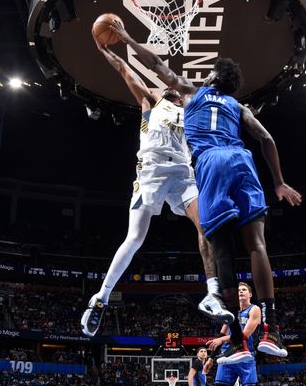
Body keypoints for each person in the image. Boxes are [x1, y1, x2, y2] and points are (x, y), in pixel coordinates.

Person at [111, 22, 302, 362]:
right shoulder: (238, 106)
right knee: (257, 244)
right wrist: (279, 182)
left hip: (211, 164)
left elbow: (155, 65)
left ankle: (239, 345)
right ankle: (271, 331)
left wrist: (126, 39)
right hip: (242, 160)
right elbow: (266, 139)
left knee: (223, 249)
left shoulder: (192, 92)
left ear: (213, 77)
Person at [80, 40, 233, 337]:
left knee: (208, 228)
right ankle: (101, 297)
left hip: (184, 175)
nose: (171, 88)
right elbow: (126, 71)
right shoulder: (151, 100)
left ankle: (212, 293)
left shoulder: (192, 109)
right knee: (135, 238)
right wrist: (105, 51)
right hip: (151, 170)